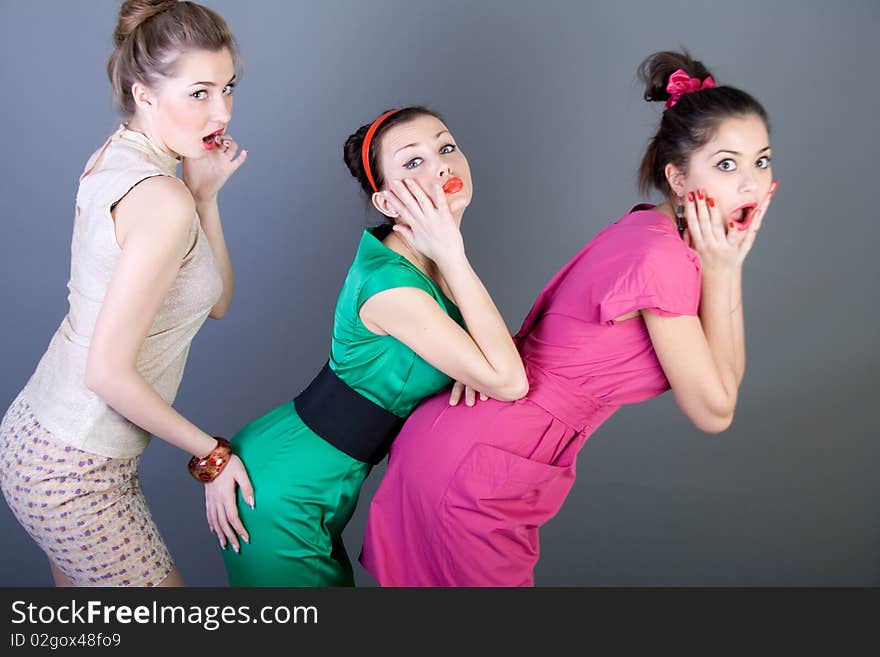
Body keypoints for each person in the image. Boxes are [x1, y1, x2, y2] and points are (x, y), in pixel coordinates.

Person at [360, 50, 780, 586]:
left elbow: (725, 378)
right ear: (677, 178)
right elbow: (715, 410)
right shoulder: (662, 260)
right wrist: (724, 272)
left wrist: (727, 264)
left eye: (761, 162)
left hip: (485, 443)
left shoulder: (654, 232)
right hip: (478, 463)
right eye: (726, 164)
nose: (749, 183)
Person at [209, 106, 528, 586]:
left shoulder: (422, 261)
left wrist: (467, 365)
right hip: (275, 491)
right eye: (413, 162)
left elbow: (487, 362)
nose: (442, 166)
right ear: (387, 204)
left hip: (319, 484)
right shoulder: (391, 286)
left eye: (446, 147)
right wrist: (453, 255)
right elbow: (508, 380)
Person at [0, 0, 250, 587]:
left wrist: (205, 198)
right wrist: (212, 458)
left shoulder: (119, 157)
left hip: (40, 436)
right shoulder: (160, 199)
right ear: (144, 93)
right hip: (74, 468)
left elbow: (216, 302)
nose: (222, 112)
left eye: (228, 88)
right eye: (199, 93)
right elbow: (107, 373)